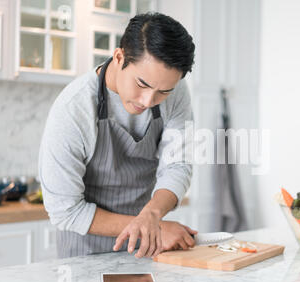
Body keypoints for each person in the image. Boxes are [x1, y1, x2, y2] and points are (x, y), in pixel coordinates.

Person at [38, 12, 197, 259]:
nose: (148, 101)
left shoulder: (175, 93)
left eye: (163, 91)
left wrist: (152, 216)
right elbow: (65, 211)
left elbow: (178, 165)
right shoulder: (73, 109)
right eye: (142, 84)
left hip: (146, 249)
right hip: (84, 253)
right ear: (119, 56)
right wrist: (150, 226)